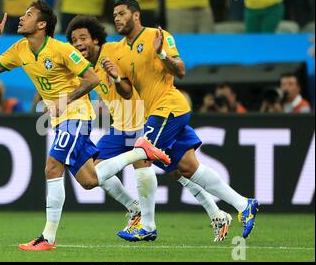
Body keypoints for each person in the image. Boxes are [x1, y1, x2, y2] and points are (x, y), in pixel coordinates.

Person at [0, 0, 169, 251]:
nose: (21, 18)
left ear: (41, 24)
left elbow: (92, 78)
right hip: (60, 118)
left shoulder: (62, 50)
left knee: (52, 168)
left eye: (28, 15)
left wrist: (66, 99)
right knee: (89, 180)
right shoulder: (20, 49)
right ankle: (138, 173)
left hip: (77, 115)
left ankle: (47, 238)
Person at [66, 15, 233, 242]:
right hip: (120, 125)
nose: (77, 44)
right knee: (95, 173)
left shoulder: (115, 49)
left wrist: (159, 51)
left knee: (181, 170)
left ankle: (204, 215)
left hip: (146, 119)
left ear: (96, 40)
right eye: (74, 40)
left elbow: (139, 60)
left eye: (82, 38)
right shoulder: (84, 68)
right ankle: (134, 208)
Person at [102, 0, 258, 241]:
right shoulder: (120, 49)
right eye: (114, 16)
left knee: (142, 150)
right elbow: (128, 91)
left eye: (122, 13)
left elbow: (180, 70)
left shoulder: (158, 35)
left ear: (136, 15)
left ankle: (146, 224)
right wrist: (114, 78)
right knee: (186, 168)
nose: (118, 19)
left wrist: (161, 53)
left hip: (169, 108)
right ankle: (242, 204)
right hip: (155, 112)